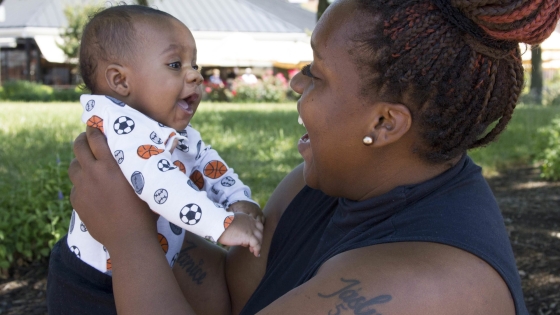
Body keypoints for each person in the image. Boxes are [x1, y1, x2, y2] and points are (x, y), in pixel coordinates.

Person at [67, 0, 560, 314]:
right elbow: (234, 295)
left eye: (317, 74)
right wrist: (146, 192)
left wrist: (130, 241)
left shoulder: (423, 290)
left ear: (384, 123)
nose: (296, 82)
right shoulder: (324, 184)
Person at [47, 5, 263, 314]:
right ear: (120, 81)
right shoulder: (124, 129)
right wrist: (222, 225)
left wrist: (236, 198)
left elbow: (205, 161)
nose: (196, 76)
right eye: (175, 64)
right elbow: (162, 186)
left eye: (195, 64)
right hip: (89, 284)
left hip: (130, 268)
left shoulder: (163, 128)